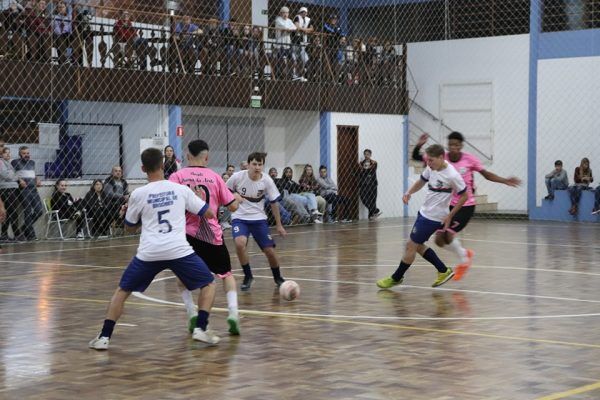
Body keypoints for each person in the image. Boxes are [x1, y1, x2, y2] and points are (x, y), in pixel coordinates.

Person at [89, 148, 218, 350]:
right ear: (163, 165)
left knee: (122, 291)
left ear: (143, 168)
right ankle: (201, 328)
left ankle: (104, 337)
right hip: (178, 250)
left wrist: (129, 214)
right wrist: (198, 198)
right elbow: (209, 214)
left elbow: (129, 228)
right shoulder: (181, 189)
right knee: (209, 284)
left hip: (150, 252)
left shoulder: (138, 194)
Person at [412, 132, 521, 280]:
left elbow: (487, 175)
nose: (453, 148)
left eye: (457, 145)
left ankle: (464, 259)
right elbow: (417, 157)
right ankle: (465, 253)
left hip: (466, 205)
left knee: (448, 234)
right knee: (438, 240)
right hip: (448, 205)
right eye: (451, 145)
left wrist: (505, 180)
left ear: (461, 146)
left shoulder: (469, 160)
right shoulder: (440, 158)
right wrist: (419, 144)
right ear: (448, 146)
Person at [169, 140, 241, 336]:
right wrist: (237, 198)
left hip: (185, 234)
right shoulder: (215, 177)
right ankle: (233, 313)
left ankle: (191, 311)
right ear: (207, 157)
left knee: (182, 276)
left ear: (187, 155)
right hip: (211, 235)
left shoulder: (177, 177)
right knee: (226, 274)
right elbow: (233, 206)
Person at [377, 144, 467, 289]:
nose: (428, 163)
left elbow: (464, 196)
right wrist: (409, 192)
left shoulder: (452, 175)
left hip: (434, 217)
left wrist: (450, 215)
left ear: (441, 157)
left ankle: (396, 278)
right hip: (424, 213)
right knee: (417, 246)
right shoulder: (431, 168)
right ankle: (443, 270)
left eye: (431, 160)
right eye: (427, 160)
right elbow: (421, 181)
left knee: (410, 246)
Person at [227, 152, 287, 291]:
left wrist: (278, 224)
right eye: (254, 164)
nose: (257, 167)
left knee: (270, 251)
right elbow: (223, 190)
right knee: (239, 243)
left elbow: (273, 203)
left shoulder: (266, 180)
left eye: (260, 164)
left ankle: (278, 278)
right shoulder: (237, 177)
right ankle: (248, 276)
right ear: (248, 164)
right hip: (240, 217)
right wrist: (233, 195)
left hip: (259, 219)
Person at [12, 146, 43, 241]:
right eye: (24, 153)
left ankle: (24, 228)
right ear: (19, 154)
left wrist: (37, 179)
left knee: (39, 210)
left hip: (33, 189)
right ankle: (31, 235)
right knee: (28, 212)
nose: (26, 155)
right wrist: (20, 180)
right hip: (23, 190)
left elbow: (34, 174)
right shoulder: (15, 162)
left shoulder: (32, 162)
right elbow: (12, 174)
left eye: (28, 153)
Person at [0, 145, 22, 241]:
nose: (8, 154)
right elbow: (6, 175)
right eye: (6, 153)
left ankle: (4, 234)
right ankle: (16, 234)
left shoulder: (7, 163)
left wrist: (14, 175)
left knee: (9, 212)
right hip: (6, 189)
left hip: (11, 188)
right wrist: (16, 176)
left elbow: (12, 174)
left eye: (9, 153)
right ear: (1, 154)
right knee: (13, 212)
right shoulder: (1, 162)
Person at [358, 149, 381, 220]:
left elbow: (370, 171)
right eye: (365, 154)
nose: (366, 155)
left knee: (372, 200)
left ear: (370, 155)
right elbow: (361, 172)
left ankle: (371, 216)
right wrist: (362, 168)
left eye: (368, 154)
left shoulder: (374, 163)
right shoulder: (361, 163)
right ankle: (375, 210)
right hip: (363, 184)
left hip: (372, 184)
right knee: (363, 198)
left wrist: (363, 169)